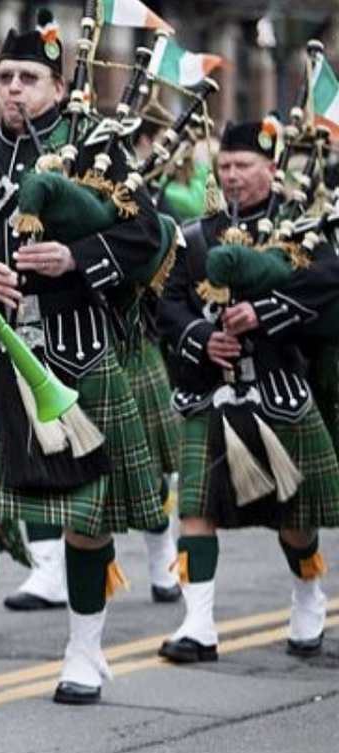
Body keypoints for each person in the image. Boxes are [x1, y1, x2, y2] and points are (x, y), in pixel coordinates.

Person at [0, 14, 166, 702]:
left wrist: (76, 256)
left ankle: (84, 652)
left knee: (87, 517)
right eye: (4, 77)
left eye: (29, 78)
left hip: (77, 350)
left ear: (60, 86)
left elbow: (149, 236)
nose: (13, 89)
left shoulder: (98, 150)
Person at [154, 121, 339, 663]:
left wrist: (263, 313)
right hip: (209, 392)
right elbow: (168, 307)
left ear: (271, 170)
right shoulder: (192, 236)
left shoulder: (299, 230)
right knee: (194, 509)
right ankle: (199, 623)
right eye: (226, 166)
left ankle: (307, 597)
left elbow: (329, 280)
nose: (232, 177)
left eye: (244, 167)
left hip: (277, 388)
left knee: (294, 517)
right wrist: (203, 337)